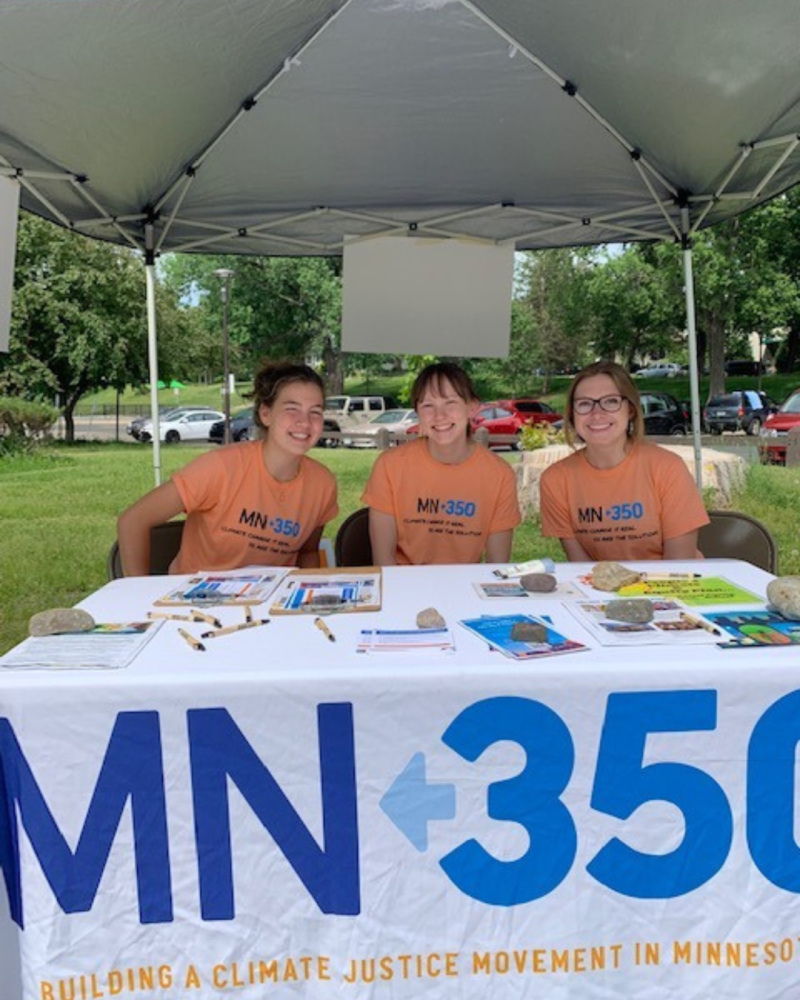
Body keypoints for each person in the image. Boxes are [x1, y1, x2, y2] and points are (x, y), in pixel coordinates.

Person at [117, 361, 338, 575]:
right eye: (292, 409)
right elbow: (132, 522)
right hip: (193, 602)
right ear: (265, 414)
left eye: (315, 412)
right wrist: (139, 597)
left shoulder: (323, 483)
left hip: (267, 604)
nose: (305, 422)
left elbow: (308, 551)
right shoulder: (220, 468)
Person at [540, 360, 708, 561]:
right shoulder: (555, 479)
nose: (597, 414)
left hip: (672, 587)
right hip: (601, 588)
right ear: (572, 414)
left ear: (630, 410)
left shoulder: (668, 468)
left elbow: (680, 565)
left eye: (610, 401)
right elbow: (580, 568)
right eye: (584, 404)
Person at [362, 362, 521, 565]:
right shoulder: (389, 466)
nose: (440, 416)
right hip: (405, 587)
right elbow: (384, 562)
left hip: (466, 589)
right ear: (417, 413)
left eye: (450, 402)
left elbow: (496, 566)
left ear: (472, 407)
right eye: (428, 405)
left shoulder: (500, 474)